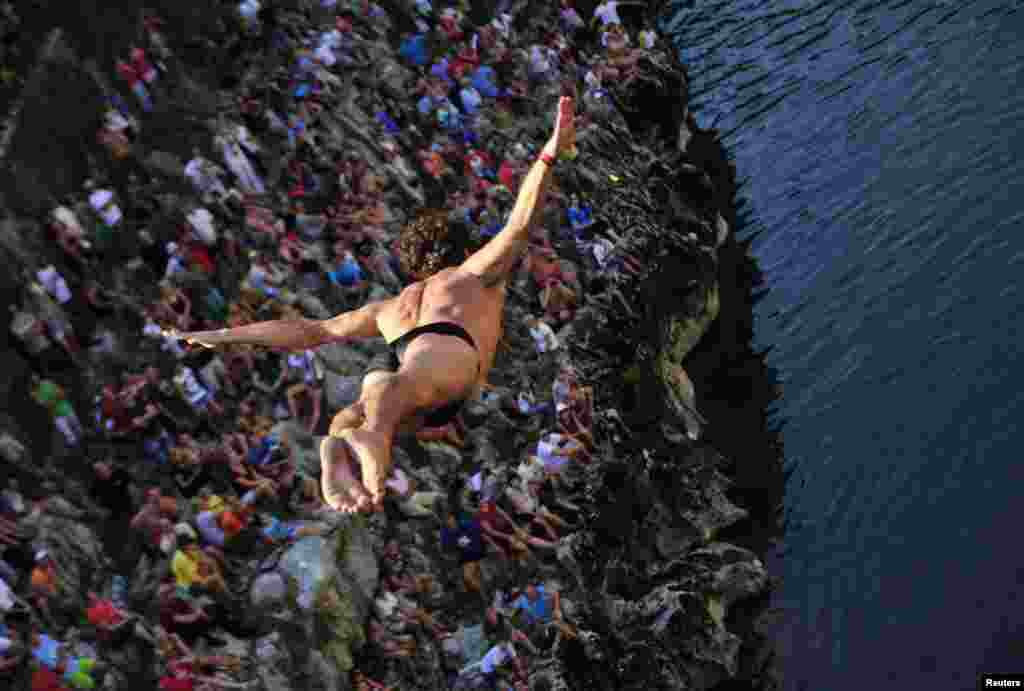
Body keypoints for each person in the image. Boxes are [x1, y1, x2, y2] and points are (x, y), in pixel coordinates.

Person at [168, 93, 578, 514]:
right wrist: (548, 154)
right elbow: (517, 227)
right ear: (462, 248)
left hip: (407, 363)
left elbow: (312, 331)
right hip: (445, 353)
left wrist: (225, 335)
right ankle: (373, 434)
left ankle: (341, 442)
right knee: (395, 399)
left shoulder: (392, 305)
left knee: (354, 414)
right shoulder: (467, 276)